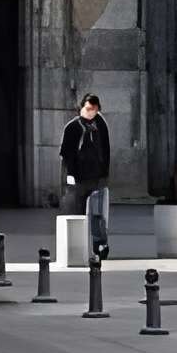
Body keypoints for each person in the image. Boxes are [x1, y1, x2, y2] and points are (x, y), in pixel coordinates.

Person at [59, 93, 113, 262]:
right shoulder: (73, 127)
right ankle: (77, 247)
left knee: (98, 215)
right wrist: (70, 175)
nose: (91, 113)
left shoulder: (100, 123)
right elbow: (66, 154)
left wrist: (105, 172)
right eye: (89, 109)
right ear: (81, 108)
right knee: (77, 213)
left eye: (95, 110)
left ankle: (100, 245)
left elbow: (106, 149)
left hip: (97, 177)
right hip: (78, 178)